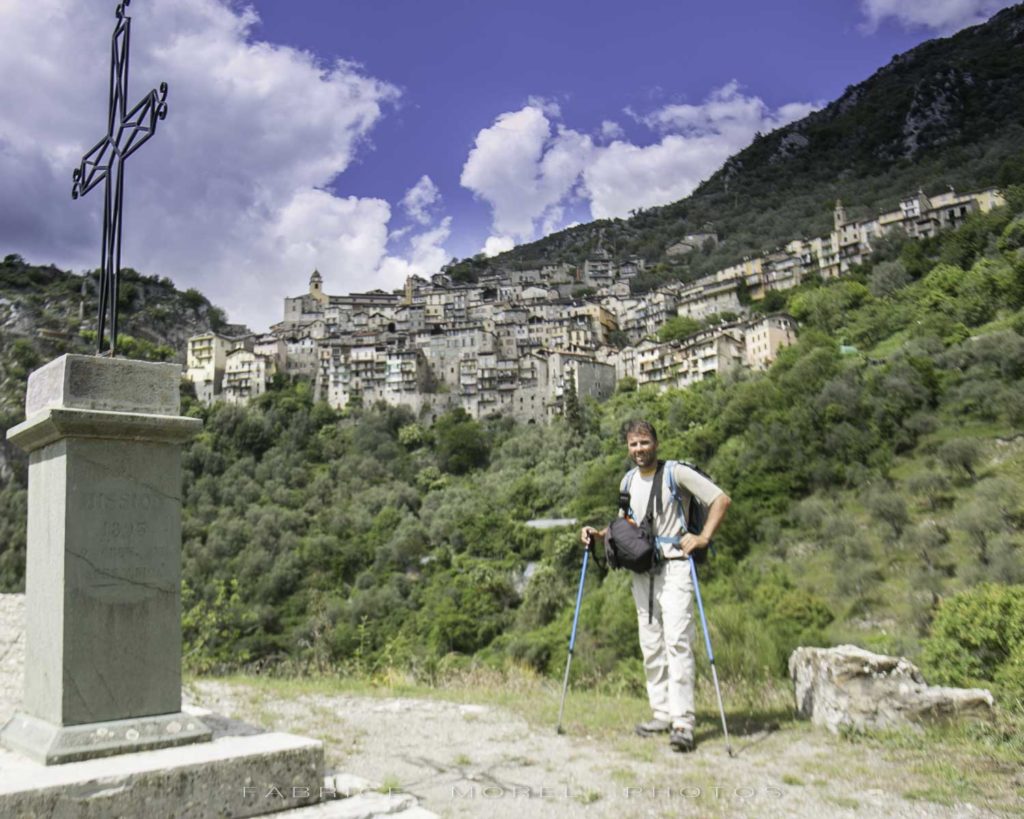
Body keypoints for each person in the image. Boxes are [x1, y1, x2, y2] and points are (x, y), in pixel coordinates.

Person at [581, 419, 730, 753]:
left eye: (644, 443)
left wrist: (703, 537)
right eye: (633, 444)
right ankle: (661, 713)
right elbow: (627, 525)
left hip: (676, 566)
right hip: (642, 570)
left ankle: (683, 722)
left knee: (678, 642)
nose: (639, 450)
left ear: (656, 443)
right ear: (627, 447)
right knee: (650, 643)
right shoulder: (628, 480)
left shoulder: (677, 473)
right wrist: (599, 535)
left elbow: (721, 499)